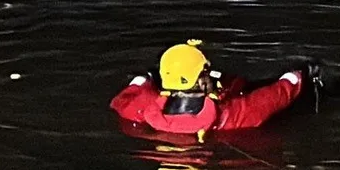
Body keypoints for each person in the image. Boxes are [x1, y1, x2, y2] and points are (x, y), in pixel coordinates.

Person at [110, 40, 320, 141]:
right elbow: (276, 96)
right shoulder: (233, 115)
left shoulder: (138, 108)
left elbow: (128, 94)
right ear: (202, 82)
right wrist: (297, 75)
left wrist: (144, 79)